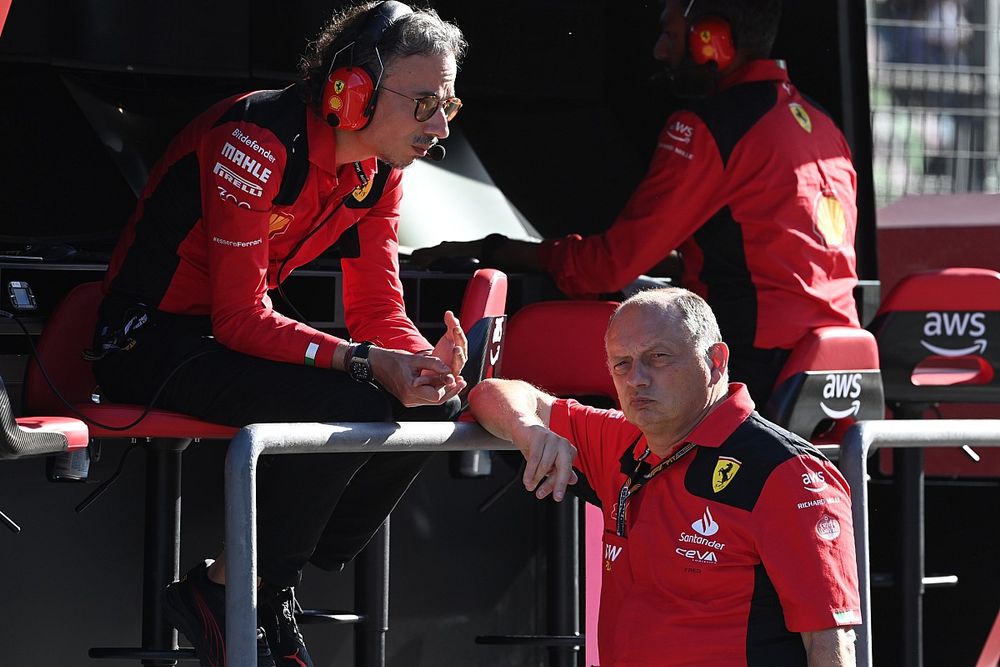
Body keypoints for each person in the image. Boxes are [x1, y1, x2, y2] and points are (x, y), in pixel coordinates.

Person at [90, 3, 467, 665]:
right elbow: (240, 317)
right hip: (144, 343)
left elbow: (378, 308)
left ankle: (263, 581)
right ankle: (239, 590)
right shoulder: (256, 140)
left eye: (449, 102)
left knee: (435, 402)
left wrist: (420, 361)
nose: (440, 125)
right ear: (351, 93)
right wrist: (362, 362)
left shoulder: (382, 171)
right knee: (352, 399)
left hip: (220, 340)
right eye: (425, 102)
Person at [414, 0, 861, 406]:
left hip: (755, 370)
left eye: (669, 35)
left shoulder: (711, 128)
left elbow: (607, 268)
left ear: (712, 39)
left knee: (554, 379)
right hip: (838, 367)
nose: (659, 53)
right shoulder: (822, 127)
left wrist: (500, 250)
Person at [468, 287, 860, 667]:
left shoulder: (786, 472)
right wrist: (528, 429)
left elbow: (830, 638)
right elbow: (488, 393)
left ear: (716, 361)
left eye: (658, 357)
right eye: (621, 363)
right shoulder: (623, 439)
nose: (636, 378)